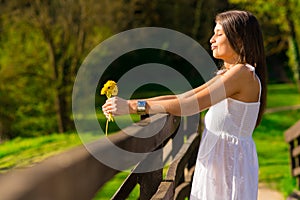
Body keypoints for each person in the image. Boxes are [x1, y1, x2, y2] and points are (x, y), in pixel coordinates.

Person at [102, 10, 267, 200]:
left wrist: (133, 108)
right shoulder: (228, 74)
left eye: (219, 34)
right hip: (220, 161)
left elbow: (190, 105)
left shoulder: (242, 74)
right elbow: (184, 97)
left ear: (239, 39)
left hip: (229, 164)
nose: (212, 39)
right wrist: (131, 103)